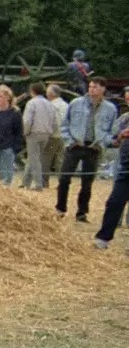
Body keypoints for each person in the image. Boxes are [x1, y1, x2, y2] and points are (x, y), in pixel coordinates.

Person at [57, 77, 117, 222]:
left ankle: (82, 212)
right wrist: (69, 141)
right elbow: (64, 124)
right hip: (75, 145)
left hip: (93, 147)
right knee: (64, 178)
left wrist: (102, 143)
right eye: (90, 86)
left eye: (95, 87)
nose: (91, 89)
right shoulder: (76, 103)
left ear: (103, 89)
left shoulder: (110, 109)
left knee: (87, 182)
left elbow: (112, 131)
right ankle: (60, 208)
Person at [93, 107, 129, 251]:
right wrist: (121, 135)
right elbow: (113, 139)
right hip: (125, 169)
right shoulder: (125, 117)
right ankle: (103, 238)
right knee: (114, 202)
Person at [22, 81, 59, 189]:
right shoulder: (49, 104)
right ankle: (25, 182)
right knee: (33, 157)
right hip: (46, 134)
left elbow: (27, 121)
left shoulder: (31, 103)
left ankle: (38, 183)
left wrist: (25, 132)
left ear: (32, 91)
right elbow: (54, 120)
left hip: (34, 133)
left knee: (34, 159)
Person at [46, 84, 68, 179]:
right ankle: (61, 181)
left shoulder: (50, 105)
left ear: (51, 94)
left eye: (47, 92)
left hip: (53, 135)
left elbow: (49, 121)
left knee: (46, 158)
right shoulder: (66, 105)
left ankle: (44, 181)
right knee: (61, 159)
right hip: (64, 135)